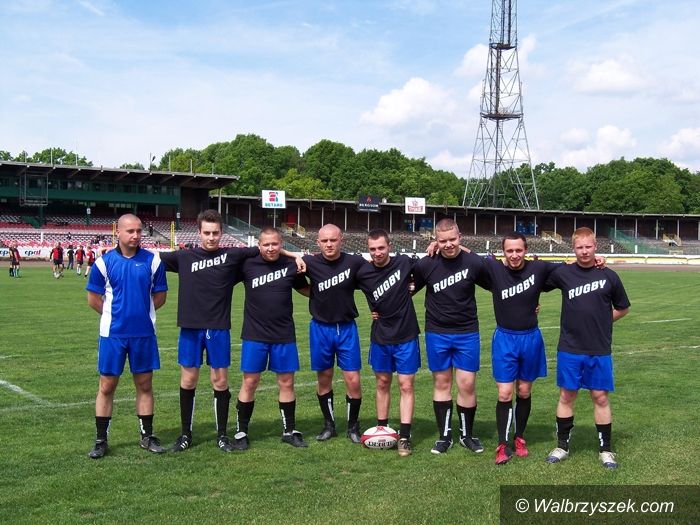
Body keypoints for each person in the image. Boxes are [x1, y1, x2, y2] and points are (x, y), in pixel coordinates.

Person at [160, 210, 304, 453]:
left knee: (220, 381)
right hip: (190, 327)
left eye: (215, 233)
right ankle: (185, 434)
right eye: (207, 233)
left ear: (221, 233)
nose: (211, 237)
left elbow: (268, 247)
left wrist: (294, 254)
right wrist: (110, 252)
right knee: (188, 380)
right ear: (199, 233)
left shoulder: (233, 255)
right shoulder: (184, 257)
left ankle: (222, 435)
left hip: (219, 327)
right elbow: (150, 259)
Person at [543, 227, 630, 469]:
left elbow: (623, 307)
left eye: (588, 246)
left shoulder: (609, 276)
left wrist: (603, 321)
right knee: (566, 395)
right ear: (573, 248)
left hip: (599, 348)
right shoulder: (564, 273)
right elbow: (536, 279)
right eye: (579, 247)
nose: (584, 251)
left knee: (600, 396)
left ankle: (606, 450)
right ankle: (562, 446)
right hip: (569, 347)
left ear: (595, 247)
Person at [85, 213, 168, 459]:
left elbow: (160, 297)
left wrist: (141, 314)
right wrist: (114, 315)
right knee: (107, 385)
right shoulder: (104, 263)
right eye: (130, 231)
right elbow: (93, 299)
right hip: (113, 335)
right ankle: (101, 440)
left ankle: (147, 436)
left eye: (139, 231)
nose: (135, 235)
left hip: (143, 334)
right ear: (118, 232)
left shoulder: (153, 261)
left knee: (145, 384)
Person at [481, 232, 560, 464]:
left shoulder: (539, 269)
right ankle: (502, 444)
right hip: (505, 338)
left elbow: (571, 270)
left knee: (524, 391)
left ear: (526, 250)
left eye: (518, 250)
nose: (514, 255)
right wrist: (436, 245)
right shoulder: (494, 269)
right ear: (503, 252)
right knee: (504, 393)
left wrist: (597, 261)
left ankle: (519, 438)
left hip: (530, 338)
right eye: (510, 251)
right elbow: (464, 256)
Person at [412, 219, 489, 456]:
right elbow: (406, 291)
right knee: (442, 384)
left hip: (467, 332)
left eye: (452, 240)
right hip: (437, 332)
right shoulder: (426, 264)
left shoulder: (473, 262)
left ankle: (467, 435)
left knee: (467, 384)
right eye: (443, 241)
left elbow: (499, 285)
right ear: (435, 240)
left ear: (460, 237)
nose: (448, 245)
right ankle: (444, 437)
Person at [233, 227, 310, 450]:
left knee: (287, 382)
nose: (270, 248)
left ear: (281, 244)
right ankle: (241, 432)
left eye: (274, 244)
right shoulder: (247, 264)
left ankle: (289, 431)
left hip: (283, 334)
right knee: (250, 382)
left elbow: (306, 290)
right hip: (254, 334)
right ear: (258, 245)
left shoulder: (291, 266)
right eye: (265, 244)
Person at [356, 229, 420, 457]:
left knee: (406, 385)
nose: (377, 253)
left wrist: (413, 285)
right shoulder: (363, 273)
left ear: (389, 246)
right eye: (372, 249)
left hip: (406, 334)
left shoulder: (404, 263)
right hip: (381, 335)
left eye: (381, 248)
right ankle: (382, 428)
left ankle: (404, 436)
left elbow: (428, 269)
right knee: (382, 383)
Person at [302, 224, 367, 443]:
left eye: (333, 240)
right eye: (324, 241)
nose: (329, 244)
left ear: (341, 240)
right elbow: (297, 282)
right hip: (320, 328)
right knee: (324, 378)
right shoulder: (310, 263)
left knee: (353, 380)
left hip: (346, 328)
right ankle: (329, 425)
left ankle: (353, 427)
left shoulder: (355, 262)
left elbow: (377, 272)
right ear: (318, 243)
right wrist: (315, 293)